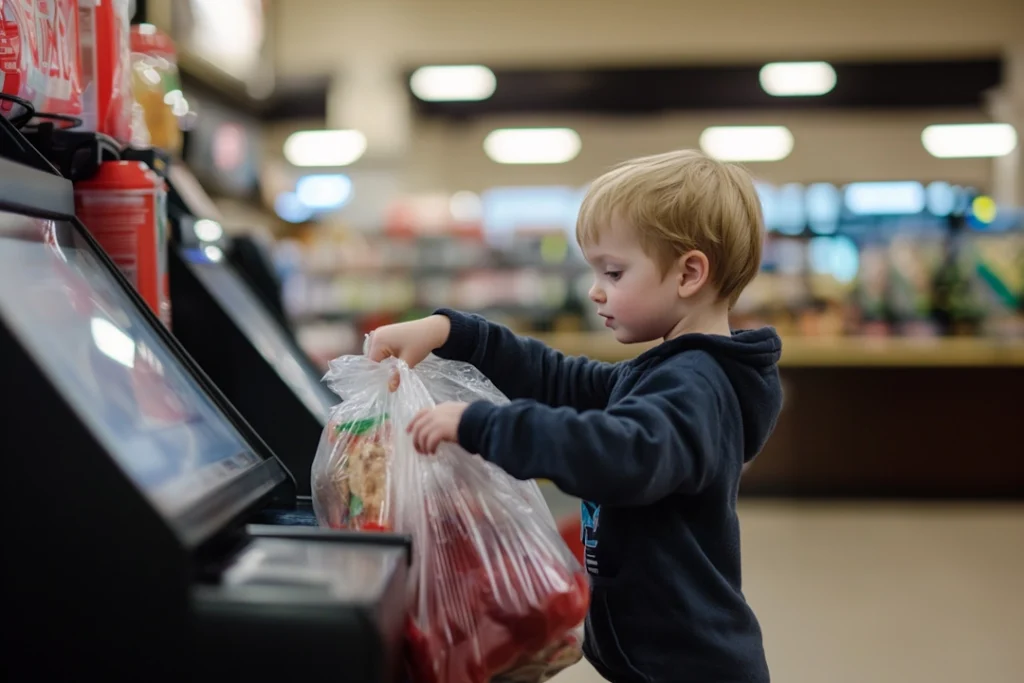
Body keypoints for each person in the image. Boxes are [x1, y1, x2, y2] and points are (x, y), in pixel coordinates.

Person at [368, 149, 783, 683]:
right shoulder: (671, 371)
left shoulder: (696, 385)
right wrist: (456, 334)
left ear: (689, 273)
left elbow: (623, 454)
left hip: (686, 666)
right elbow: (562, 381)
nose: (595, 289)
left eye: (613, 271)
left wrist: (482, 425)